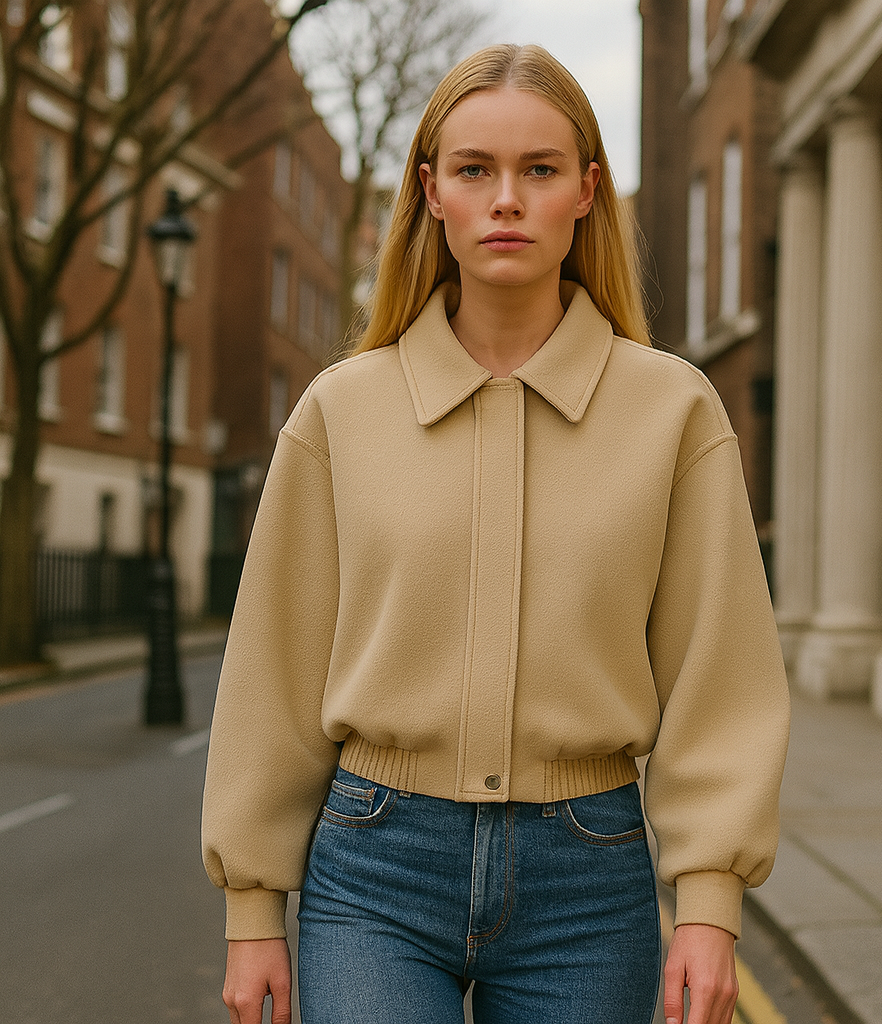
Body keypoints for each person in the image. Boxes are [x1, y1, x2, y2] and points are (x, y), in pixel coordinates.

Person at [202, 42, 789, 1024]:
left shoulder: (673, 411)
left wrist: (709, 903)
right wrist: (252, 906)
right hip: (373, 874)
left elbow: (717, 669)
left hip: (588, 878)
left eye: (540, 169)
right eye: (475, 169)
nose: (506, 198)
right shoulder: (341, 410)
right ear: (432, 192)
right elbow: (274, 666)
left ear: (586, 192)